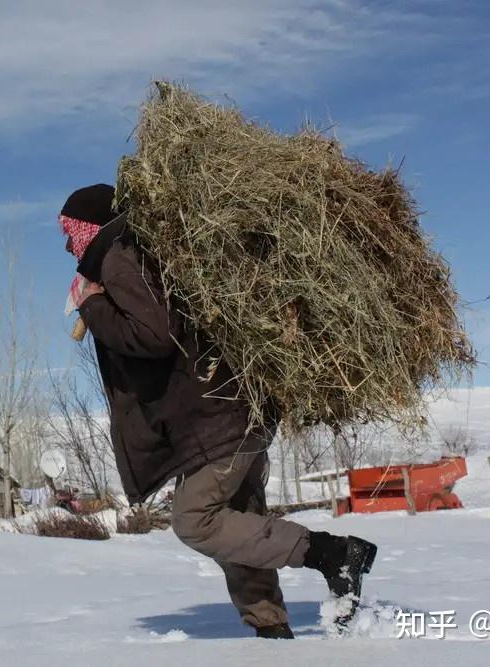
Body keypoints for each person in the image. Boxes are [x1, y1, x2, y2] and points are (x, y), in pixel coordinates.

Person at [59, 184, 377, 639]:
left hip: (216, 417)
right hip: (234, 410)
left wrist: (92, 302)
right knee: (239, 524)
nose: (67, 245)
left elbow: (154, 335)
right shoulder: (129, 257)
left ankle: (333, 554)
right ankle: (270, 630)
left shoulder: (119, 256)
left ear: (90, 226)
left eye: (69, 232)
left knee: (195, 519)